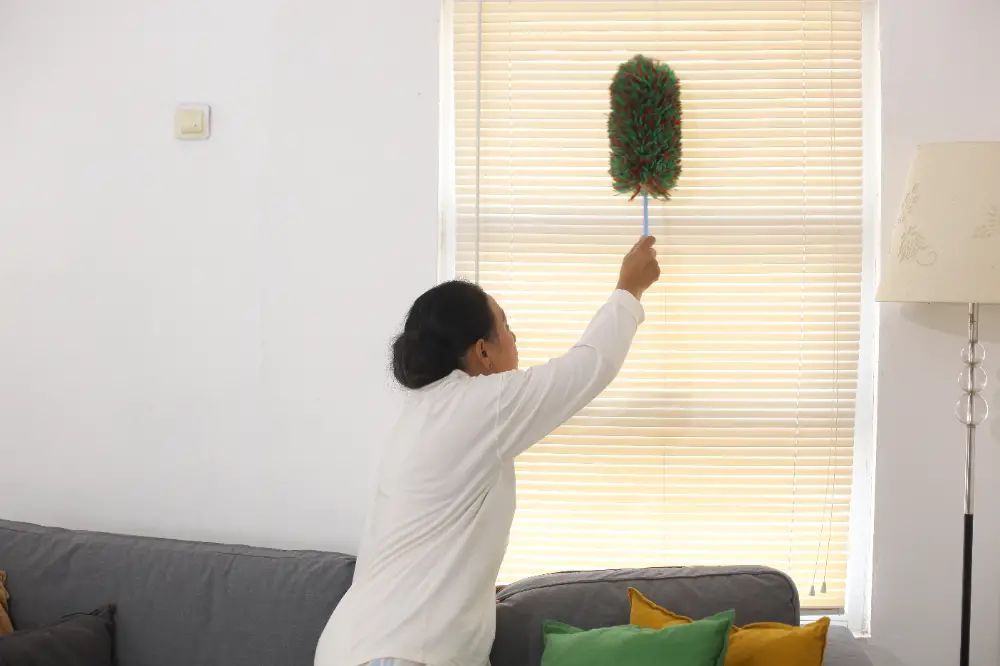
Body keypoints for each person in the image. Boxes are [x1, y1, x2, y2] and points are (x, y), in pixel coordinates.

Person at [315, 236, 661, 666]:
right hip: (396, 654)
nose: (515, 338)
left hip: (360, 647)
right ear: (483, 352)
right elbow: (589, 366)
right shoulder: (477, 406)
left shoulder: (427, 412)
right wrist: (629, 289)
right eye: (506, 327)